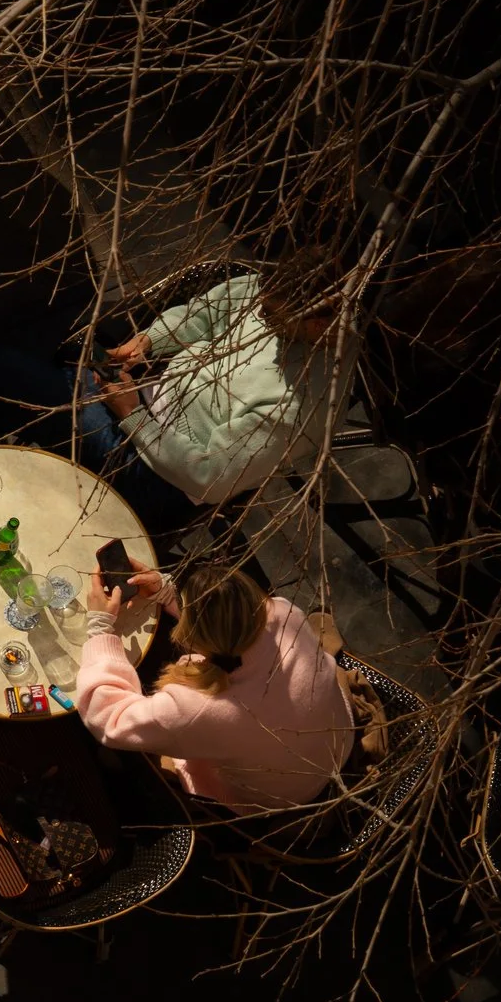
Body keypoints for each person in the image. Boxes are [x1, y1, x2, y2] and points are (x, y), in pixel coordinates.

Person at [82, 247, 350, 529]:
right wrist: (148, 342)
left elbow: (210, 476)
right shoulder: (272, 292)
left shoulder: (304, 406)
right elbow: (204, 317)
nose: (259, 313)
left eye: (274, 316)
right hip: (148, 397)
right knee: (63, 372)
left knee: (50, 385)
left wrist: (133, 417)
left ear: (318, 325)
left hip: (168, 473)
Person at [77, 560, 355, 812]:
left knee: (136, 761)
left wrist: (100, 628)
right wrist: (167, 593)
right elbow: (235, 627)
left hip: (282, 801)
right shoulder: (285, 613)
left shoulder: (195, 708)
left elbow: (110, 719)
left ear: (190, 634)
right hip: (338, 743)